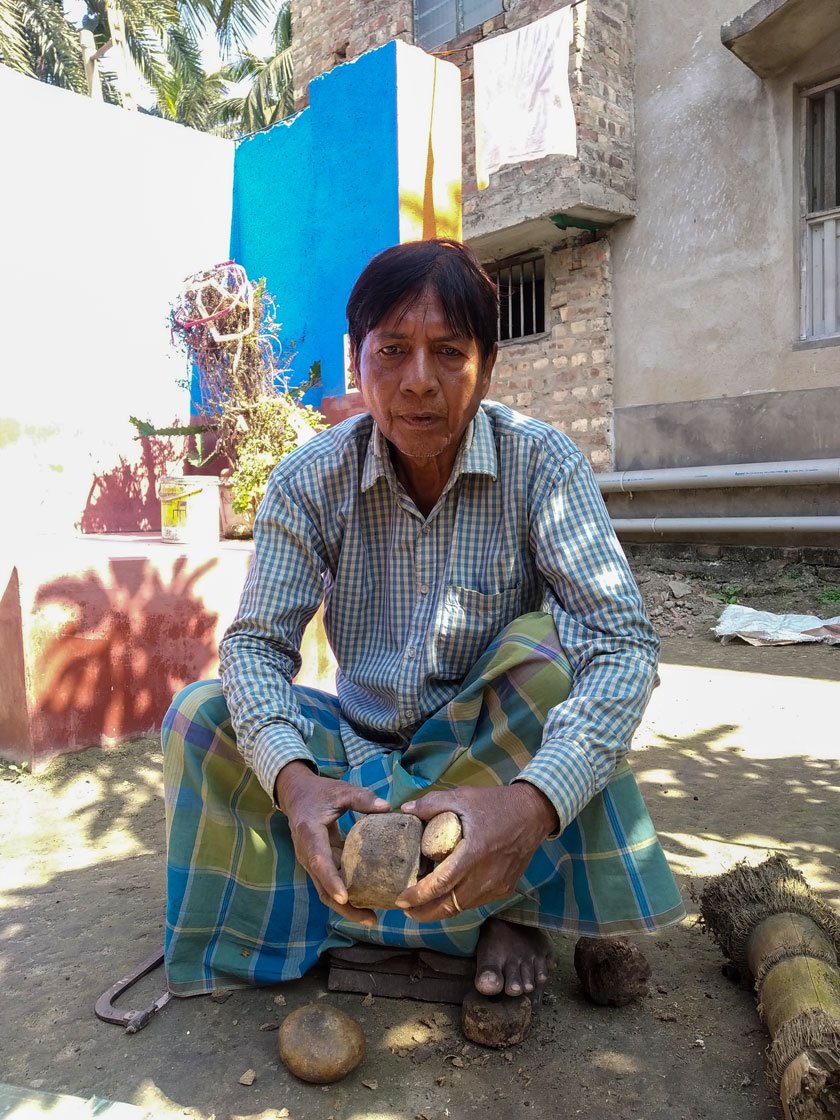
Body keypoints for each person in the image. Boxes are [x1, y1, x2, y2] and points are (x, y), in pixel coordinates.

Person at [162, 239, 684, 1001]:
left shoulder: (543, 466)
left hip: (486, 753)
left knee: (549, 658)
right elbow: (256, 646)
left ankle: (445, 896)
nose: (418, 382)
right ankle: (484, 910)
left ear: (489, 366)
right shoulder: (310, 480)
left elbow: (623, 644)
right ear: (357, 360)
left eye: (449, 352)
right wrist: (296, 782)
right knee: (198, 717)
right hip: (356, 753)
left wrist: (529, 806)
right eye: (394, 350)